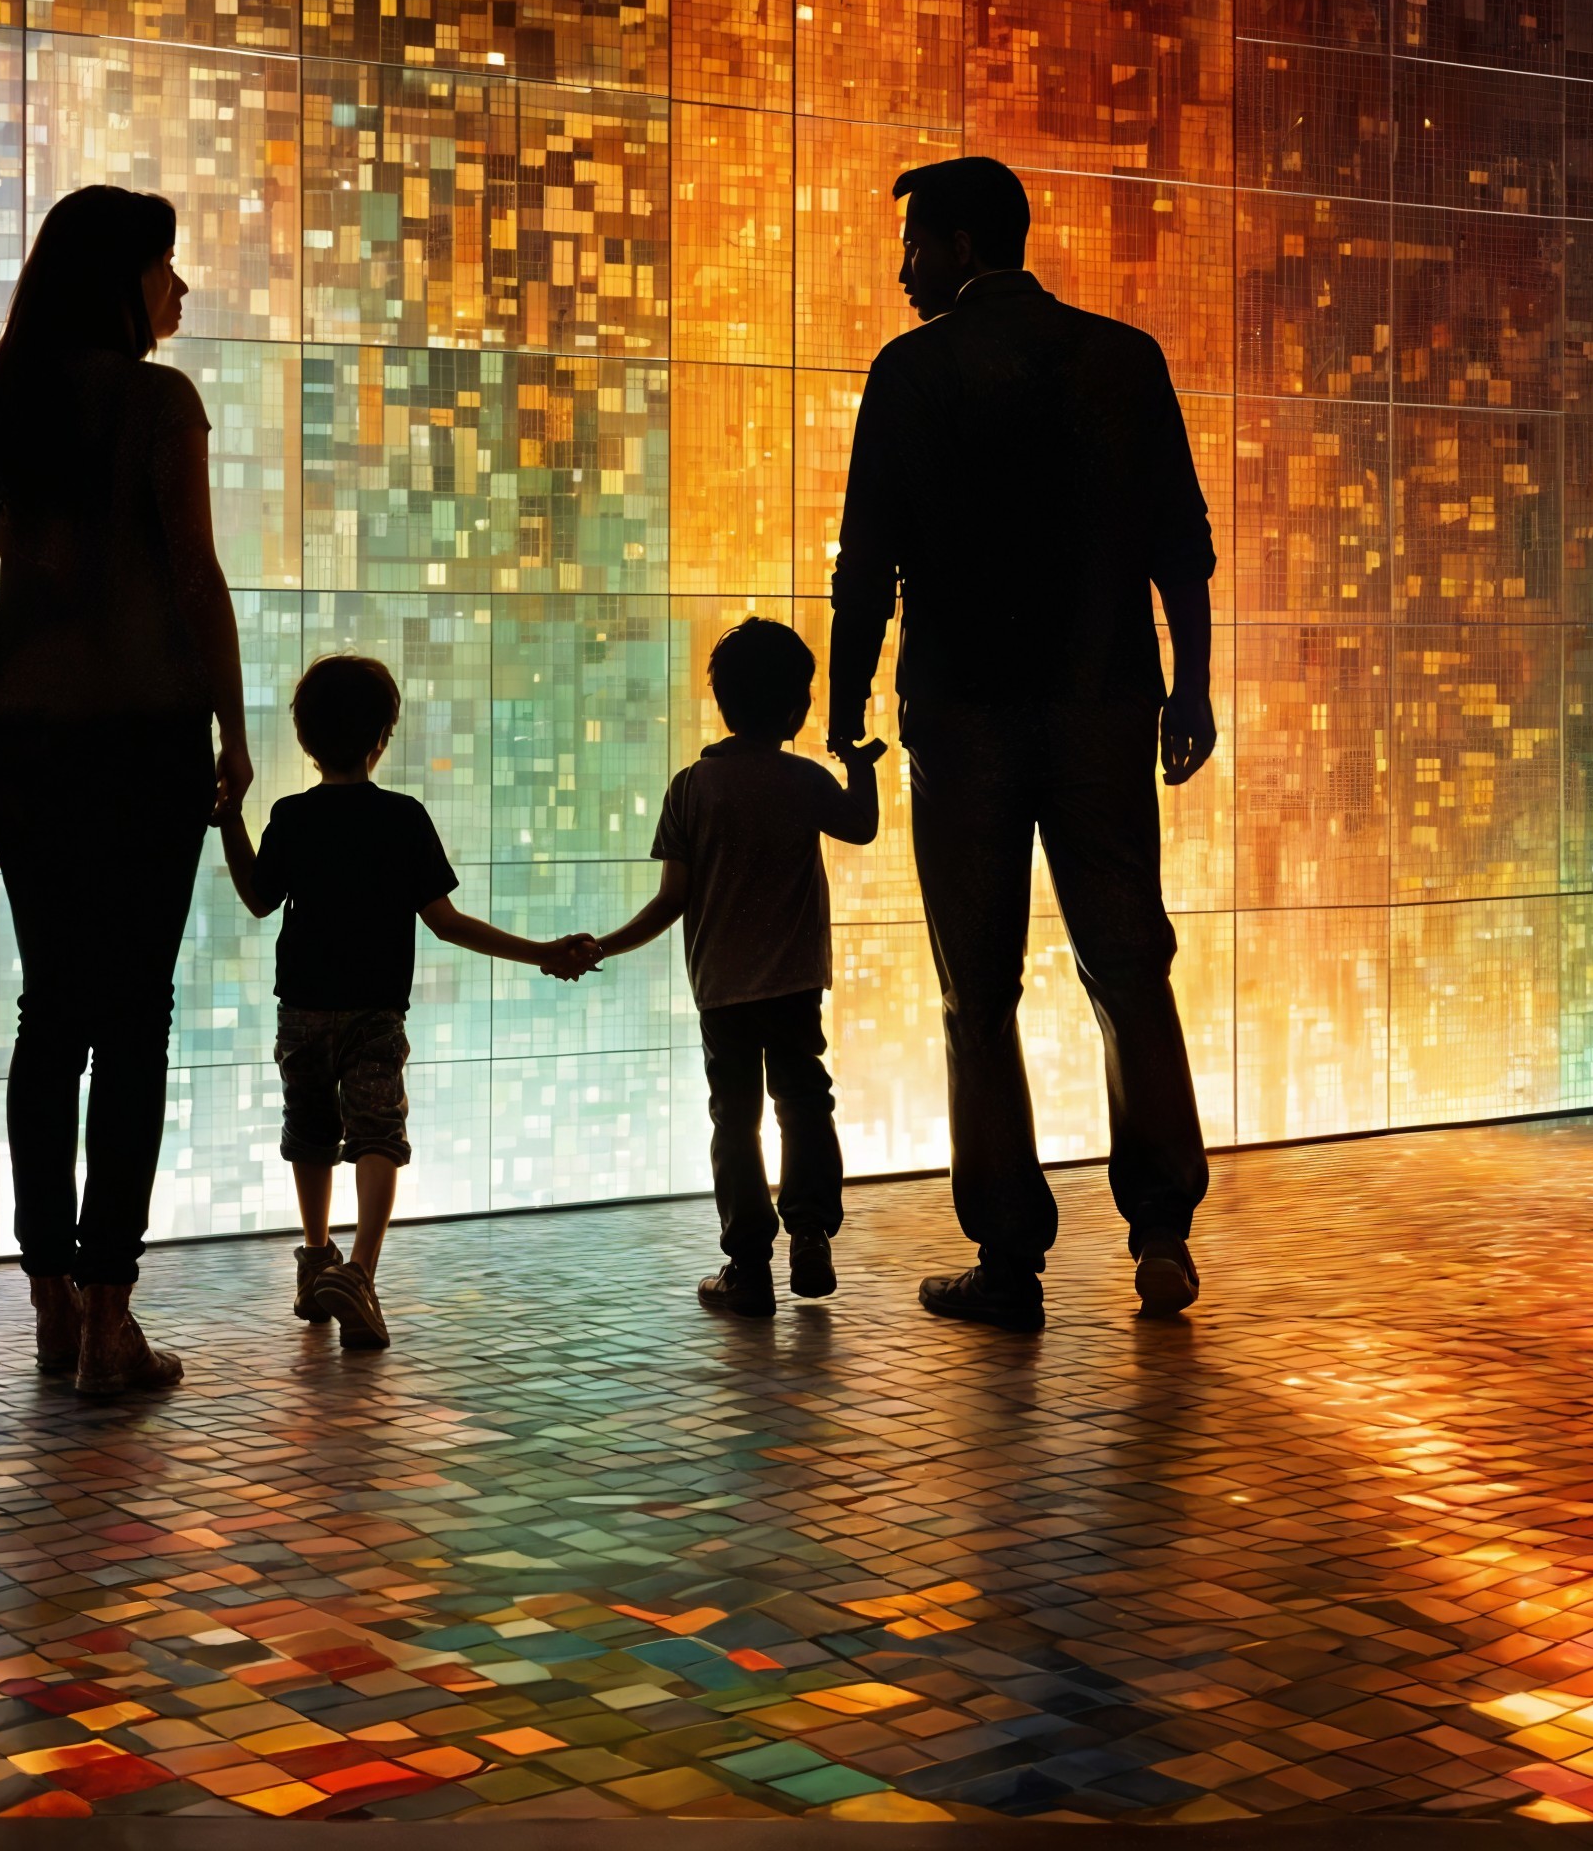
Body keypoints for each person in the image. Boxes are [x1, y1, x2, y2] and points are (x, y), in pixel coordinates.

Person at [828, 156, 1219, 1334]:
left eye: (911, 248)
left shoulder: (911, 374)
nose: (901, 273)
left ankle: (1009, 1258)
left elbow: (867, 570)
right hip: (1105, 703)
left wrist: (844, 714)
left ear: (955, 244)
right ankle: (1161, 1231)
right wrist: (1189, 688)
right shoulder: (1123, 359)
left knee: (978, 992)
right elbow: (1180, 546)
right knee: (1128, 964)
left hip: (965, 718)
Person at [0, 185, 250, 1399]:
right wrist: (232, 726)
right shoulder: (158, 401)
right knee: (134, 1024)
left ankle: (52, 1307)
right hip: (146, 740)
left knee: (48, 1020)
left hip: (31, 744)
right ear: (118, 280)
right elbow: (194, 571)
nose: (180, 290)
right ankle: (114, 1314)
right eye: (167, 268)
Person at [217, 654, 587, 1351]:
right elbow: (446, 921)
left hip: (300, 1007)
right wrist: (540, 952)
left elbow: (258, 898)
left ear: (304, 738)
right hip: (374, 1011)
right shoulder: (402, 818)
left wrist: (230, 820)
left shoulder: (291, 816)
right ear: (382, 735)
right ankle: (359, 1270)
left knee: (310, 1133)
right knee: (377, 1134)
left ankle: (315, 1256)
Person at [565, 619, 885, 1317]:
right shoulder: (803, 780)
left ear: (722, 702)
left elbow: (670, 903)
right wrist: (860, 765)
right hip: (798, 981)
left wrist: (604, 947)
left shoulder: (692, 789)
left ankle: (747, 1266)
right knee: (804, 1102)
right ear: (798, 706)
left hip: (723, 990)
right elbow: (861, 825)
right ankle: (809, 1233)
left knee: (734, 1118)